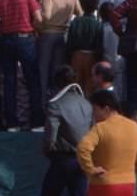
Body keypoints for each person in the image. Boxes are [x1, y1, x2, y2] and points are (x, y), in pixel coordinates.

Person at [0, 0, 44, 130]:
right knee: (33, 81)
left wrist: (2, 32)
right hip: (25, 37)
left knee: (9, 81)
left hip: (7, 39)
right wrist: (35, 31)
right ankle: (37, 122)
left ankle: (12, 123)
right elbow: (38, 18)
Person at [76, 90, 137, 196]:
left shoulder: (100, 128)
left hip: (103, 185)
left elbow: (82, 148)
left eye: (95, 110)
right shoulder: (135, 127)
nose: (93, 115)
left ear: (106, 109)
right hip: (128, 185)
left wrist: (90, 169)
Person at [42, 66, 92, 196]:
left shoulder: (55, 104)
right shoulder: (86, 103)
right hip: (83, 159)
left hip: (63, 158)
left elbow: (50, 136)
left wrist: (48, 150)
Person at [38, 0, 82, 103]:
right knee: (58, 71)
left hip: (48, 33)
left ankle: (43, 105)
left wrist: (37, 25)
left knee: (43, 72)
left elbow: (47, 15)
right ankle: (57, 102)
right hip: (64, 33)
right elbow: (79, 13)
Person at [66, 0, 103, 97]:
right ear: (96, 6)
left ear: (81, 4)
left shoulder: (75, 22)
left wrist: (69, 57)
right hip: (92, 56)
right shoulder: (97, 24)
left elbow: (70, 42)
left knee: (76, 86)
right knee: (90, 88)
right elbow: (99, 45)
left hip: (76, 56)